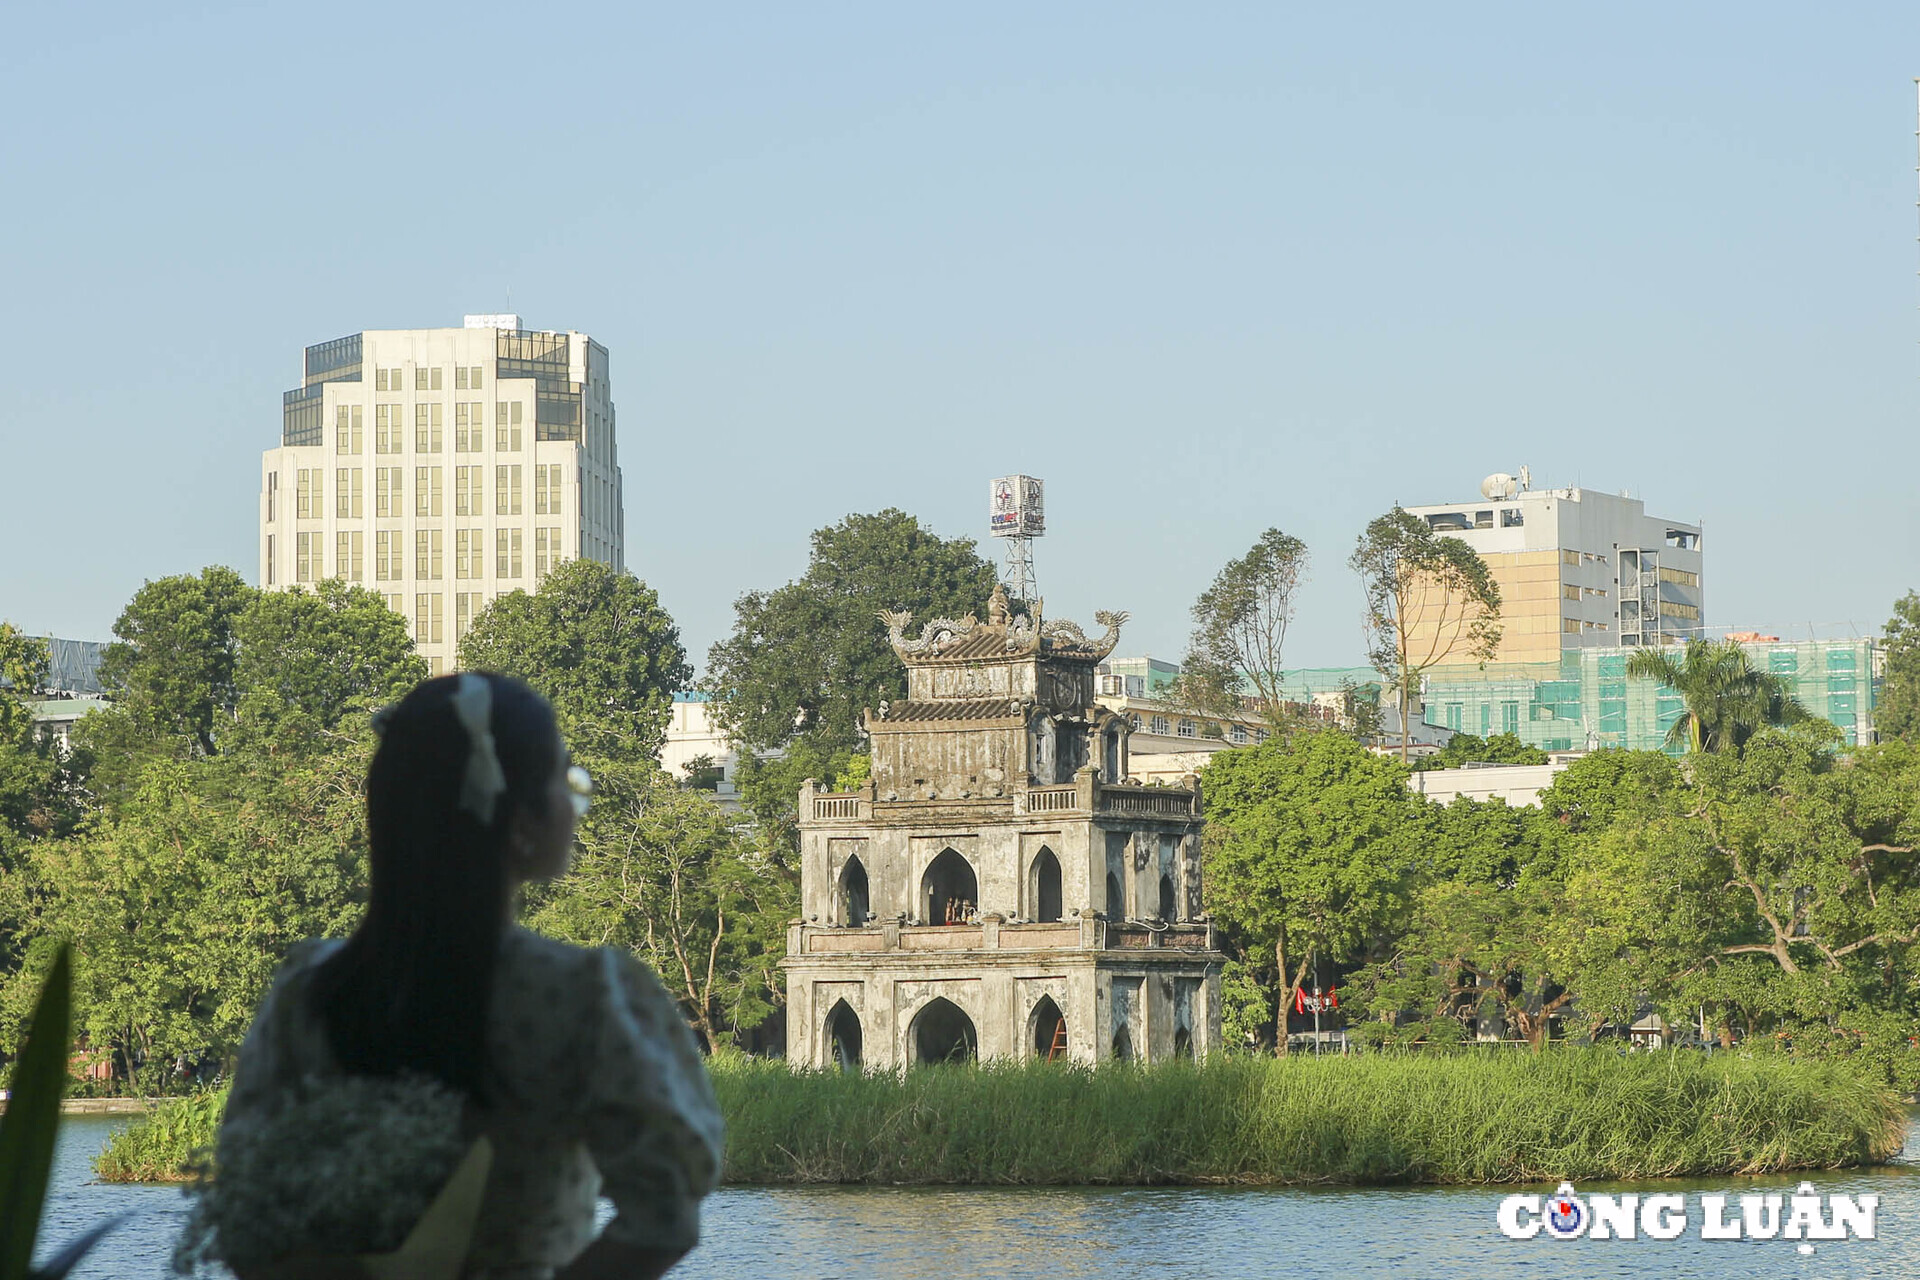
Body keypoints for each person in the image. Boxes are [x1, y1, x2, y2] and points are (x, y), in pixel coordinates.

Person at [214, 673, 723, 1280]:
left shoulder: (312, 991)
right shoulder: (581, 995)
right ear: (519, 822)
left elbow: (245, 1221)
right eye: (564, 780)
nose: (575, 799)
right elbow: (664, 1218)